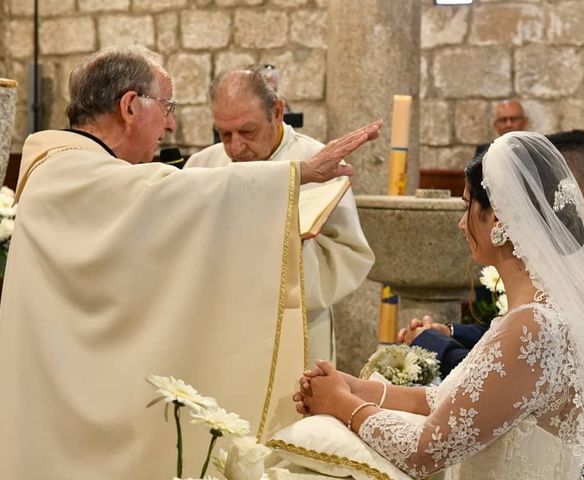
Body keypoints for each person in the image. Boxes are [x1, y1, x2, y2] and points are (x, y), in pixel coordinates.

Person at [0, 46, 381, 479]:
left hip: (73, 385)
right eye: (166, 107)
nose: (171, 123)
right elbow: (169, 199)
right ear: (129, 106)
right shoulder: (85, 176)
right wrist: (298, 176)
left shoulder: (63, 171)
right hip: (80, 392)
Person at [295, 131, 584, 479]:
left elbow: (425, 451)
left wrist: (341, 404)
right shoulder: (536, 311)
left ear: (499, 219)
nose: (462, 223)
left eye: (467, 206)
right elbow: (447, 401)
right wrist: (355, 387)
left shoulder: (535, 326)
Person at [402, 130, 584, 378]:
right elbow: (523, 337)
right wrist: (451, 332)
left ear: (566, 188)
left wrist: (434, 345)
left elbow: (522, 362)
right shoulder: (576, 251)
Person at [185, 67, 375, 363]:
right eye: (224, 134)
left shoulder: (320, 164)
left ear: (276, 111)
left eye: (248, 131)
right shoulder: (201, 165)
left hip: (294, 328)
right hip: (220, 330)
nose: (235, 146)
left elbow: (347, 253)